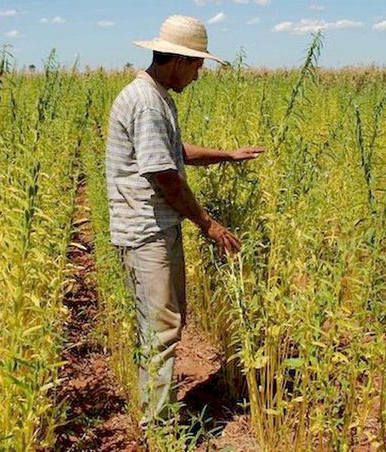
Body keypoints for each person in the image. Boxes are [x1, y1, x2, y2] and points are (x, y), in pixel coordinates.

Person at [105, 15, 265, 425]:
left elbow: (174, 152)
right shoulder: (147, 101)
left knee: (160, 325)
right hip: (146, 234)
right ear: (176, 59)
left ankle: (155, 412)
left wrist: (226, 155)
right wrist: (208, 225)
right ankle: (156, 425)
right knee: (160, 329)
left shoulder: (154, 96)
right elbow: (165, 176)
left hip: (151, 230)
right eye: (197, 65)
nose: (199, 74)